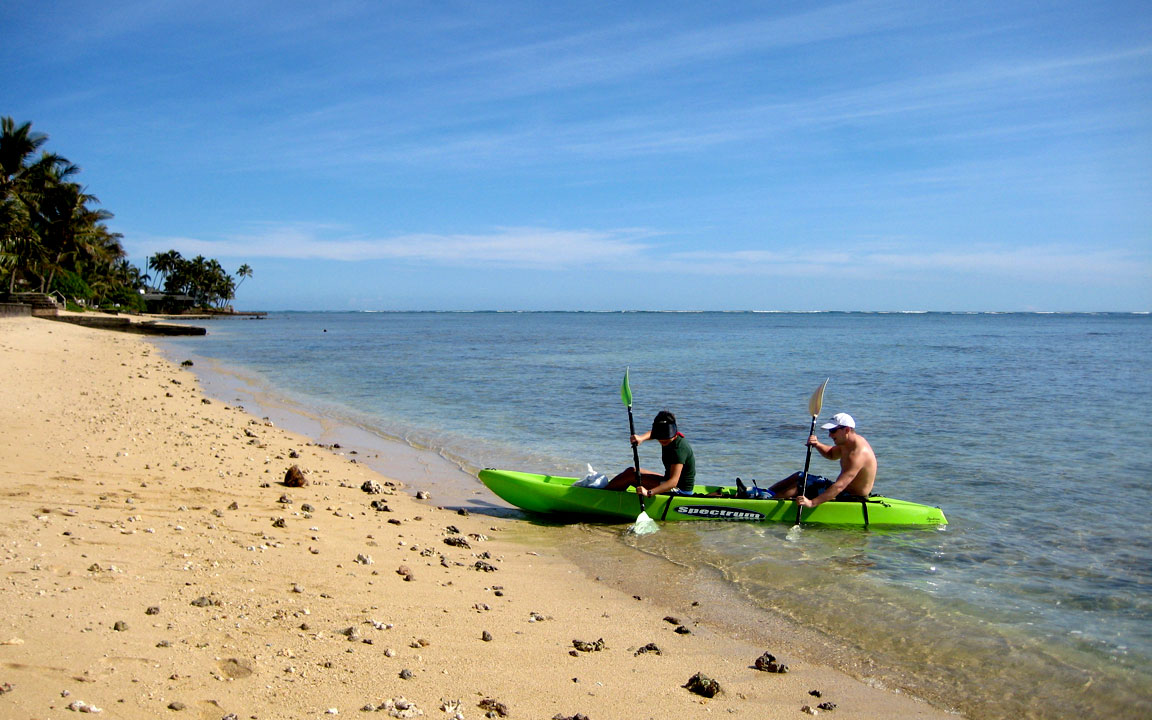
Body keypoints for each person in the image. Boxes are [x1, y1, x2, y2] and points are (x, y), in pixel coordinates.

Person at [766, 412, 876, 507]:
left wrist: (812, 503)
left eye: (833, 431)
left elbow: (840, 486)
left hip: (851, 496)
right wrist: (817, 444)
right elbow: (832, 454)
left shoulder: (858, 454)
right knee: (799, 476)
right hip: (843, 490)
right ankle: (766, 494)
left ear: (846, 430)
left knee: (800, 485)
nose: (829, 435)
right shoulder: (847, 443)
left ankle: (767, 504)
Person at [605, 410, 695, 497]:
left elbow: (673, 482)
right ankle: (606, 491)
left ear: (673, 432)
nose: (662, 440)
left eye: (666, 438)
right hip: (668, 480)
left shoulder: (678, 449)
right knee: (632, 470)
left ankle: (602, 496)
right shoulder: (667, 434)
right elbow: (652, 434)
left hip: (679, 490)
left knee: (632, 477)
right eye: (660, 437)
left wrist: (649, 492)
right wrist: (641, 438)